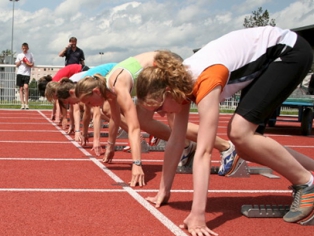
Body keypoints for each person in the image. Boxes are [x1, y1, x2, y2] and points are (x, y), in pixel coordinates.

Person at [135, 26, 314, 236]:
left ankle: (308, 182)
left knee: (239, 133)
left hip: (289, 52)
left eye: (158, 108)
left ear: (168, 92)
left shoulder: (205, 80)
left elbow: (204, 152)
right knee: (246, 149)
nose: (160, 115)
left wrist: (198, 213)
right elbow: (176, 140)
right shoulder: (178, 86)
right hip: (270, 58)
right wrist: (164, 190)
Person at [76, 52, 236, 186]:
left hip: (166, 68)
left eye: (89, 102)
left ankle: (226, 147)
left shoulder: (118, 86)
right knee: (147, 121)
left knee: (175, 124)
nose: (91, 107)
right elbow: (115, 120)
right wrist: (110, 146)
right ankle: (187, 145)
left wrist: (137, 164)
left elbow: (134, 128)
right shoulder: (108, 91)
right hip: (154, 76)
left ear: (96, 91)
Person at [15, 42, 34, 110]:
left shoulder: (30, 54)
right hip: (20, 73)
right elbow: (16, 64)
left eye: (25, 48)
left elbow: (32, 64)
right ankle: (22, 103)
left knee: (26, 87)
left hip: (27, 73)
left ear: (28, 48)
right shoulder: (19, 55)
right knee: (20, 88)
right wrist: (21, 61)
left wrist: (28, 63)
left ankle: (26, 103)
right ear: (21, 48)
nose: (24, 49)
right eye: (23, 48)